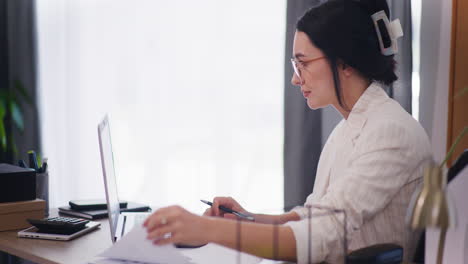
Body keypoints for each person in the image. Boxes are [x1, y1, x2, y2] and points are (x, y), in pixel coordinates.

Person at [143, 0, 432, 262]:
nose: (296, 79)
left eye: (303, 64)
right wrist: (245, 220)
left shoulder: (391, 133)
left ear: (344, 62)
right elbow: (314, 217)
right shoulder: (348, 129)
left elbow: (319, 236)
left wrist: (206, 228)